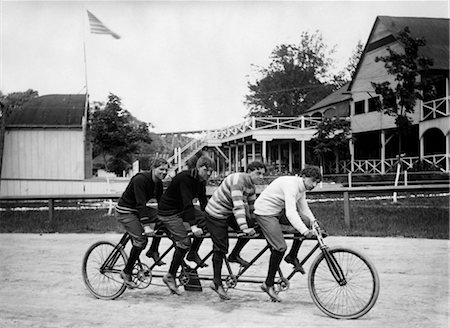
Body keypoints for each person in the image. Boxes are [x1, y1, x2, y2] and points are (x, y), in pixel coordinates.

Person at [254, 165, 322, 302]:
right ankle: (268, 284)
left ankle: (292, 256)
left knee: (305, 221)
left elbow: (304, 209)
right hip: (265, 212)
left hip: (278, 211)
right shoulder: (292, 185)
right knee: (280, 247)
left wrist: (314, 224)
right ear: (303, 177)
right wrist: (305, 231)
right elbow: (291, 212)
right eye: (313, 181)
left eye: (317, 182)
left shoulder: (302, 187)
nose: (314, 185)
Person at [205, 161, 266, 300]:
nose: (261, 177)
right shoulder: (238, 180)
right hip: (216, 214)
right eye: (258, 173)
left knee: (252, 228)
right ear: (249, 171)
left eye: (263, 174)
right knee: (220, 248)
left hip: (228, 212)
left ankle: (234, 255)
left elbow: (251, 209)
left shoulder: (251, 186)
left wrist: (257, 223)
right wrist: (244, 228)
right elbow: (238, 207)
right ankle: (216, 282)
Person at [157, 155, 215, 295]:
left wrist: (211, 218)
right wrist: (193, 226)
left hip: (181, 209)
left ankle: (192, 254)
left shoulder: (201, 180)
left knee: (207, 223)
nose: (208, 173)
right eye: (206, 170)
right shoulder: (185, 178)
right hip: (168, 211)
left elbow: (202, 201)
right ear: (198, 167)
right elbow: (188, 203)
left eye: (211, 171)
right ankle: (170, 275)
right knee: (184, 242)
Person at [115, 158, 169, 288]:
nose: (164, 172)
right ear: (153, 168)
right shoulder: (141, 179)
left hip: (138, 210)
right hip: (126, 210)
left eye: (166, 170)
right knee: (141, 240)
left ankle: (153, 251)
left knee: (164, 219)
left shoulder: (159, 183)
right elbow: (140, 203)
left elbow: (161, 204)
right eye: (161, 169)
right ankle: (126, 272)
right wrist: (146, 226)